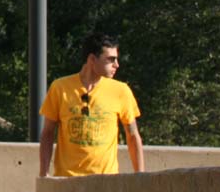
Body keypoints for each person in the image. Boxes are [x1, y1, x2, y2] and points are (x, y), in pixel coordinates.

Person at [39, 32, 145, 177]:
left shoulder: (121, 91)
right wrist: (44, 173)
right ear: (92, 59)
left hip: (106, 181)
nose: (117, 65)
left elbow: (132, 135)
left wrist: (140, 176)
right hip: (67, 180)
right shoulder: (60, 88)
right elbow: (47, 133)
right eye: (110, 59)